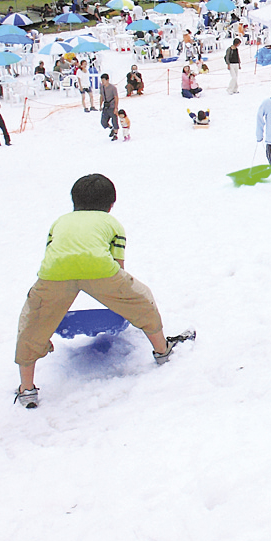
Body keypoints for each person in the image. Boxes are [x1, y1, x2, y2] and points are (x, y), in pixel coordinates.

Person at [13, 174, 183, 408]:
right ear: (111, 204)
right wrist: (118, 297)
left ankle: (27, 389)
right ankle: (162, 351)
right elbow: (119, 266)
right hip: (101, 269)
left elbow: (53, 252)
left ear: (74, 201)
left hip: (54, 273)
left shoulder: (59, 221)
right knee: (143, 301)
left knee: (31, 323)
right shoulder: (113, 224)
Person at [100, 75, 120, 140]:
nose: (102, 82)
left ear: (107, 80)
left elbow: (116, 97)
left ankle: (115, 134)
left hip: (112, 106)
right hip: (105, 106)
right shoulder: (102, 87)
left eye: (103, 80)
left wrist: (116, 107)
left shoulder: (113, 88)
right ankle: (111, 128)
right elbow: (101, 96)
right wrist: (100, 105)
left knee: (114, 120)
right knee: (103, 122)